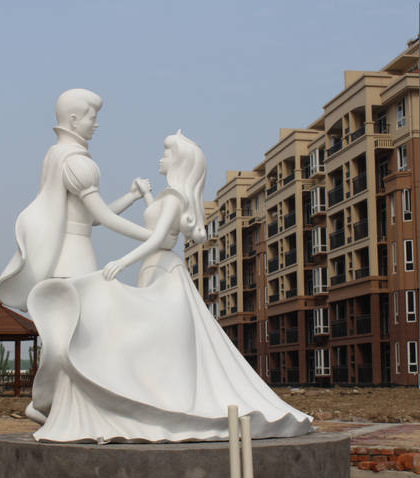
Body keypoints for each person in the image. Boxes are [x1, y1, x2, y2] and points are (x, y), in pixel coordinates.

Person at [26, 130, 312, 443]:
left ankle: (147, 404)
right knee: (147, 342)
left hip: (164, 274)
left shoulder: (175, 199)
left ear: (178, 161)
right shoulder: (168, 197)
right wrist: (142, 196)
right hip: (152, 271)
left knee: (143, 338)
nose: (161, 158)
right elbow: (156, 227)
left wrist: (122, 261)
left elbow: (159, 238)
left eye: (166, 153)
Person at [0, 88, 154, 312]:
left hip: (65, 257)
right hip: (74, 260)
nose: (96, 125)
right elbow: (103, 217)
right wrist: (153, 236)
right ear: (73, 120)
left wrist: (131, 196)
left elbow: (91, 218)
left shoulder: (55, 155)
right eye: (92, 118)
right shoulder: (77, 163)